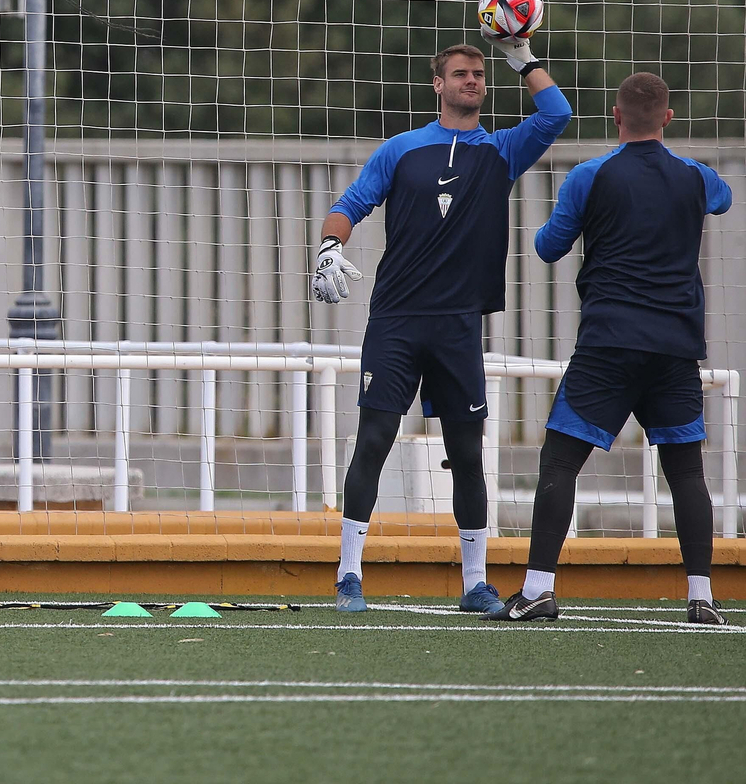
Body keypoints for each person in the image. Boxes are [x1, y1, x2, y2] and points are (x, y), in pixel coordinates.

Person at [313, 33, 572, 614]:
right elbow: (349, 204)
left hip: (458, 326)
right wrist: (329, 247)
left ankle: (475, 583)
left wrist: (520, 57)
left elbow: (557, 112)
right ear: (438, 83)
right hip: (397, 323)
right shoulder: (401, 150)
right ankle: (349, 576)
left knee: (467, 453)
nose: (472, 81)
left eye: (479, 73)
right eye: (460, 73)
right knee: (374, 440)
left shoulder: (502, 150)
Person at [489, 73, 732, 624]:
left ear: (615, 117)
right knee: (687, 473)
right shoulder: (697, 178)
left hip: (610, 343)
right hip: (675, 349)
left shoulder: (589, 176)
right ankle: (701, 597)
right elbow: (724, 199)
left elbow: (548, 247)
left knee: (559, 462)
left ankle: (537, 590)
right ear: (668, 119)